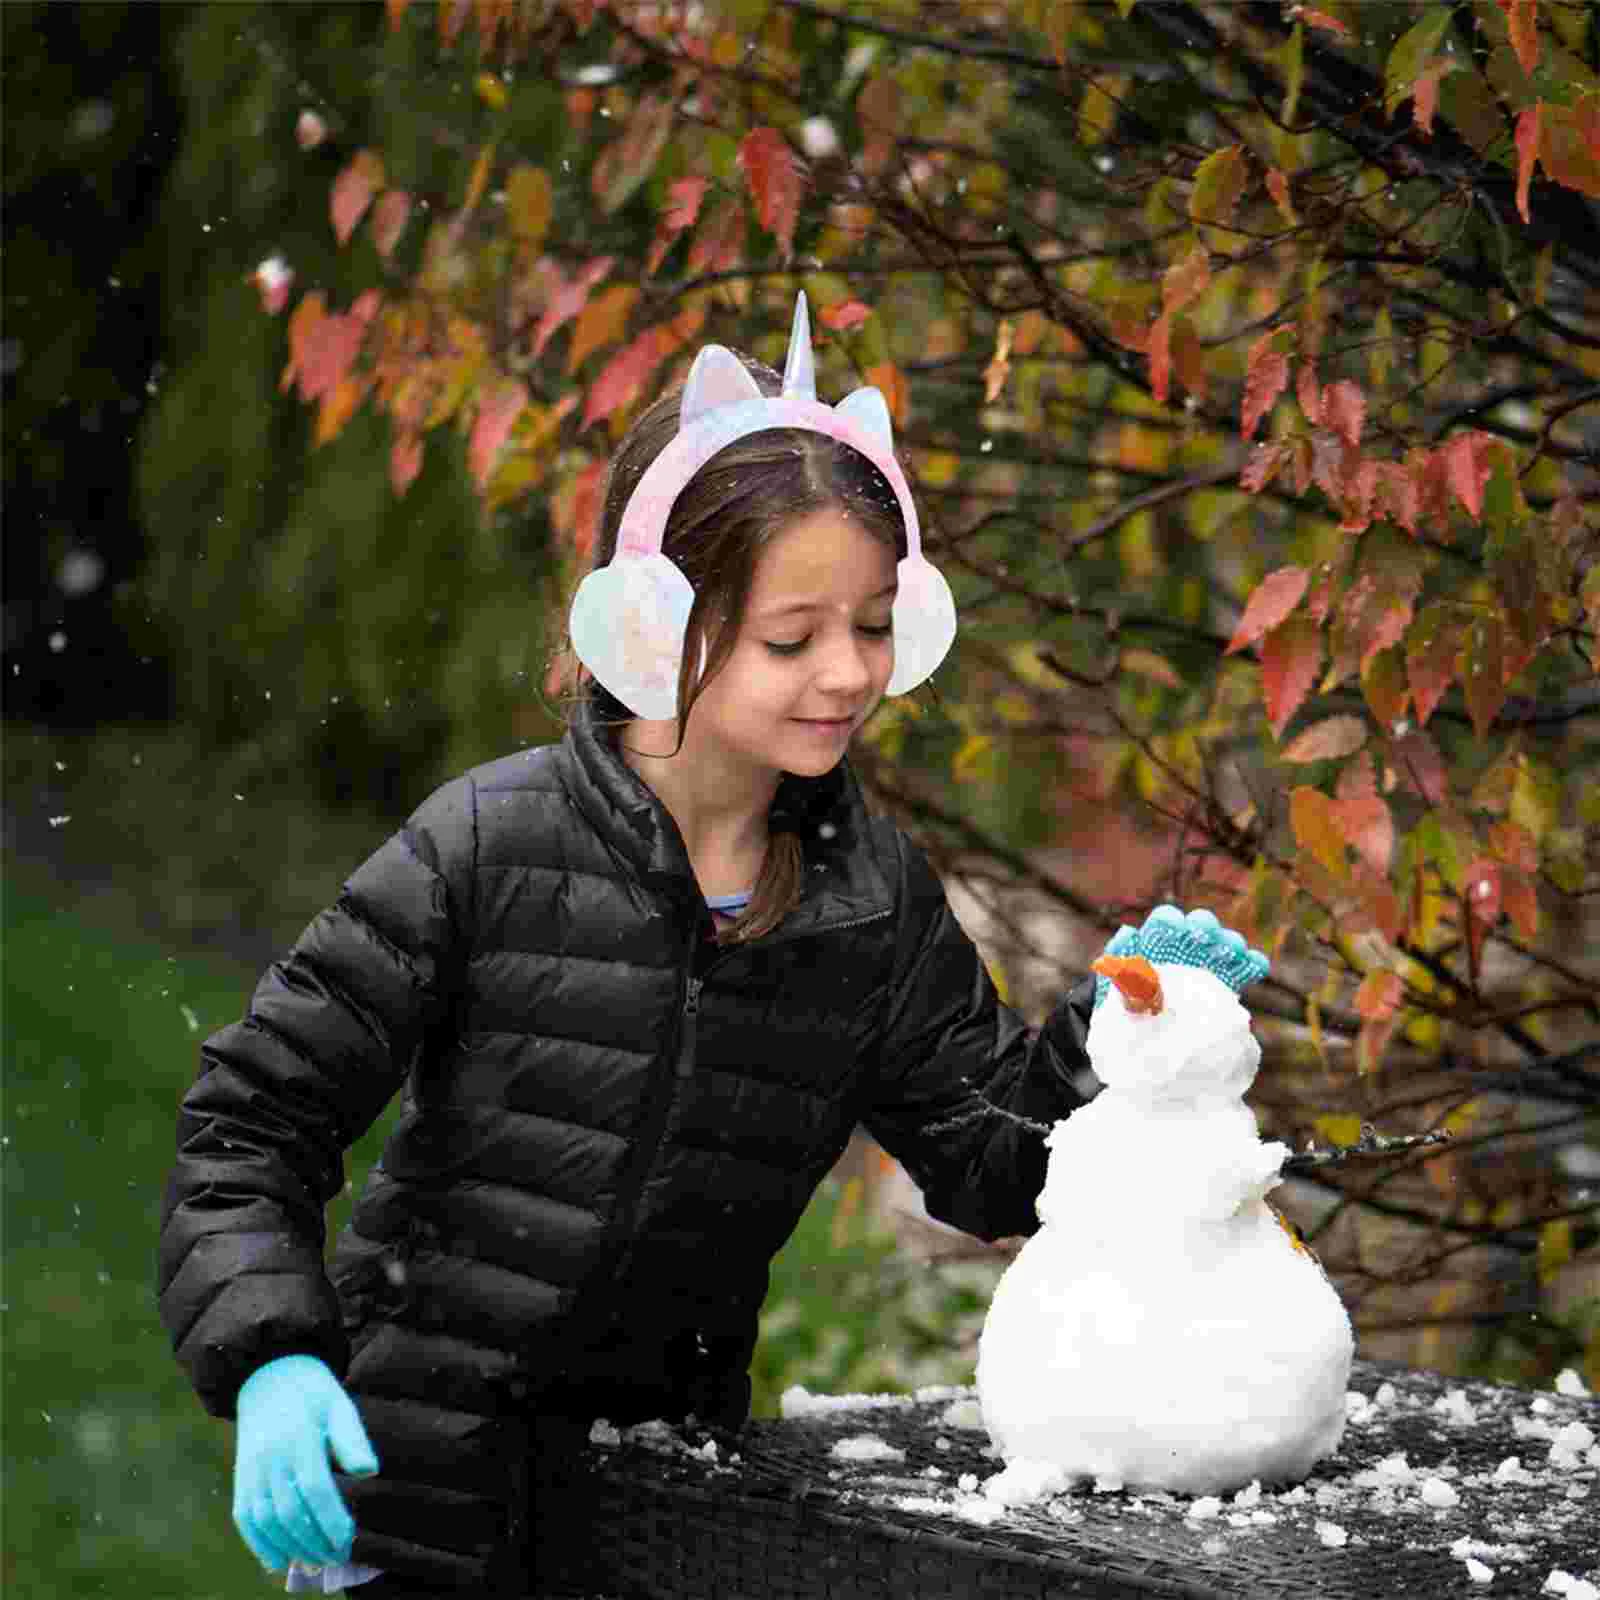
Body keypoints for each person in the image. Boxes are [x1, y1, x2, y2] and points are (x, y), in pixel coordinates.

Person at [157, 294, 1270, 1597]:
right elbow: (247, 1126)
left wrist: (1109, 1042)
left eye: (872, 624)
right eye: (792, 637)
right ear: (655, 627)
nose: (850, 672)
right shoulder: (489, 848)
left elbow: (992, 1169)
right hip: (408, 1497)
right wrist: (275, 1355)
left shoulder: (870, 898)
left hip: (668, 1511)